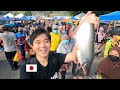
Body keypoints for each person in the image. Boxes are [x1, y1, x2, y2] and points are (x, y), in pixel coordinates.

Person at [20, 11, 98, 79]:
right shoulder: (29, 67)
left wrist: (83, 23)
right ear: (32, 46)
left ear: (50, 43)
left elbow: (74, 55)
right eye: (38, 42)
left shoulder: (55, 58)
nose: (43, 45)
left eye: (46, 41)